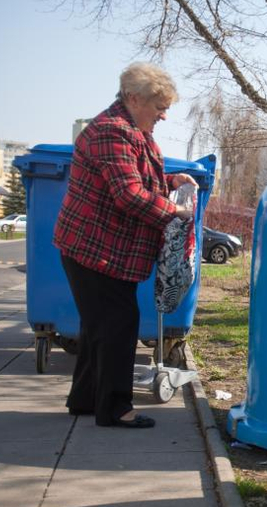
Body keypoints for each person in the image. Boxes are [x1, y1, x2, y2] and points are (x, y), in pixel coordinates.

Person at [53, 62, 197, 428]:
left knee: (98, 327)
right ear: (134, 98)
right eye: (159, 107)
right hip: (95, 249)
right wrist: (175, 210)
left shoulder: (132, 130)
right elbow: (129, 194)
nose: (164, 116)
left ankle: (85, 400)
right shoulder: (111, 132)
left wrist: (167, 180)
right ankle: (116, 409)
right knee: (117, 324)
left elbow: (136, 176)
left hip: (104, 249)